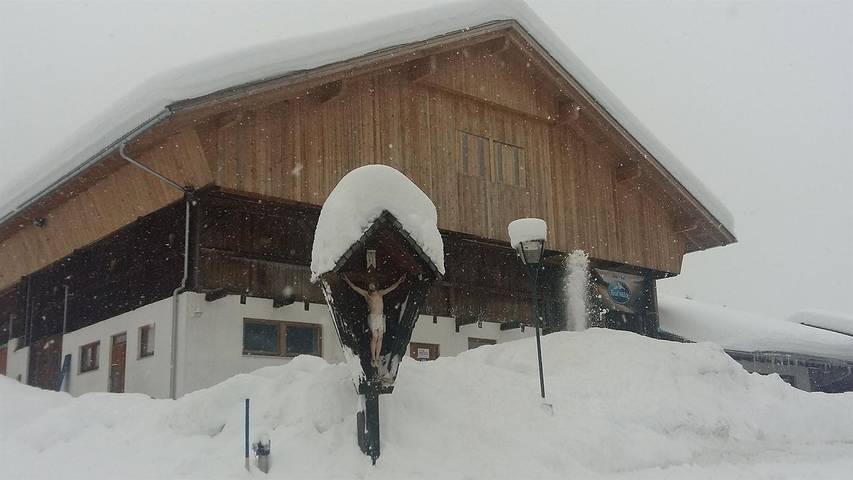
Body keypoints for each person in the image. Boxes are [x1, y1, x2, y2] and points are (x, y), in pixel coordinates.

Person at [343, 274, 405, 367]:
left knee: (380, 337)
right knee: (375, 337)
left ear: (376, 286)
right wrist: (347, 280)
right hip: (373, 317)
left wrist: (399, 281)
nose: (371, 286)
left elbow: (391, 288)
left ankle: (377, 357)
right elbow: (355, 288)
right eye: (370, 285)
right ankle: (373, 357)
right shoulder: (367, 294)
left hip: (380, 317)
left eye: (372, 285)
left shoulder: (380, 293)